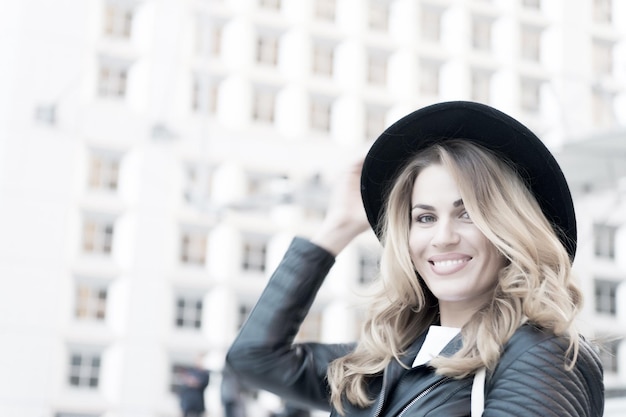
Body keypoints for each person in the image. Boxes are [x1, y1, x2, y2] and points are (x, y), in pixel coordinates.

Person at [226, 101, 604, 416]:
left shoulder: (544, 356)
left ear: (509, 228)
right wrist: (337, 228)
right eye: (424, 218)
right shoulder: (388, 361)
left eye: (467, 213)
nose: (443, 237)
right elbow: (255, 357)